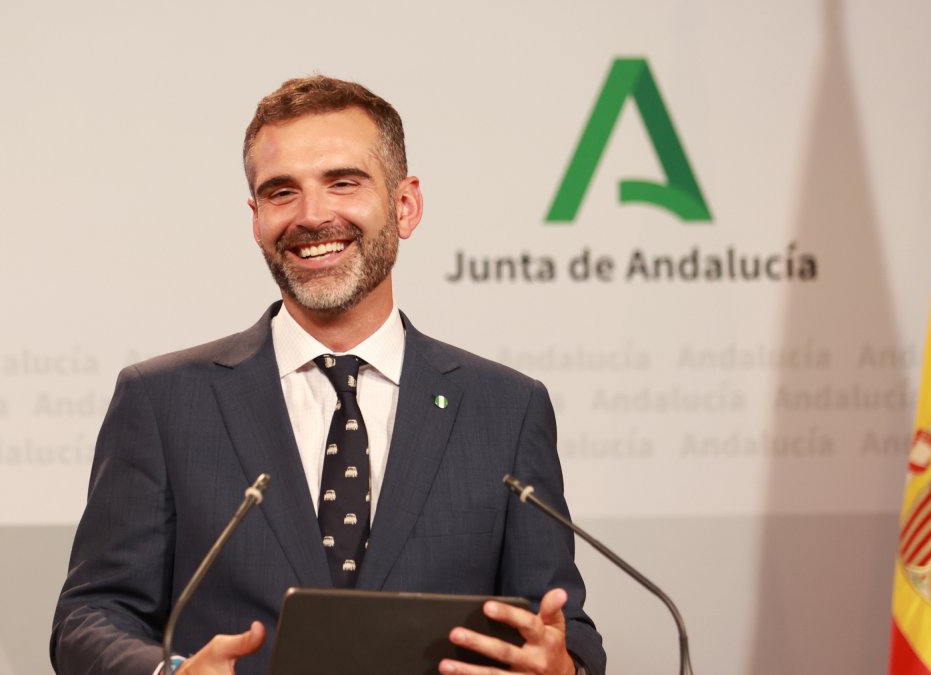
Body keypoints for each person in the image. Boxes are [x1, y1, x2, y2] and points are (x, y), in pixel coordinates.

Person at [51, 75, 606, 675]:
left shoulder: (505, 409)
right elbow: (93, 615)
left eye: (343, 183)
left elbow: (563, 627)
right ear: (256, 217)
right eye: (281, 192)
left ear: (405, 205)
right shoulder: (162, 402)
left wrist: (563, 668)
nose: (312, 217)